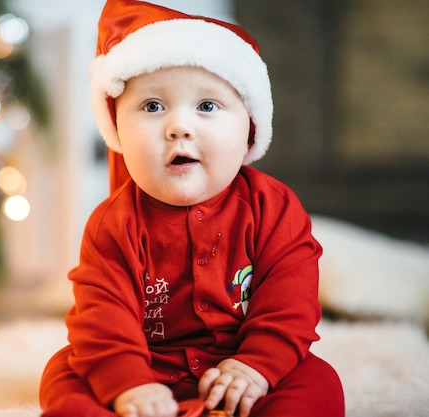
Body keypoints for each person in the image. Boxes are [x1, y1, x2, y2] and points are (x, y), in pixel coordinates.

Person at [39, 1, 345, 416]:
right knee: (64, 374)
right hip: (148, 363)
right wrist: (127, 384)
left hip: (240, 363)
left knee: (319, 381)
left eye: (206, 106)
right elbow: (101, 315)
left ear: (249, 127)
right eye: (152, 107)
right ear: (117, 131)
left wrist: (255, 367)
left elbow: (290, 303)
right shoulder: (114, 223)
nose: (178, 127)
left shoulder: (273, 208)